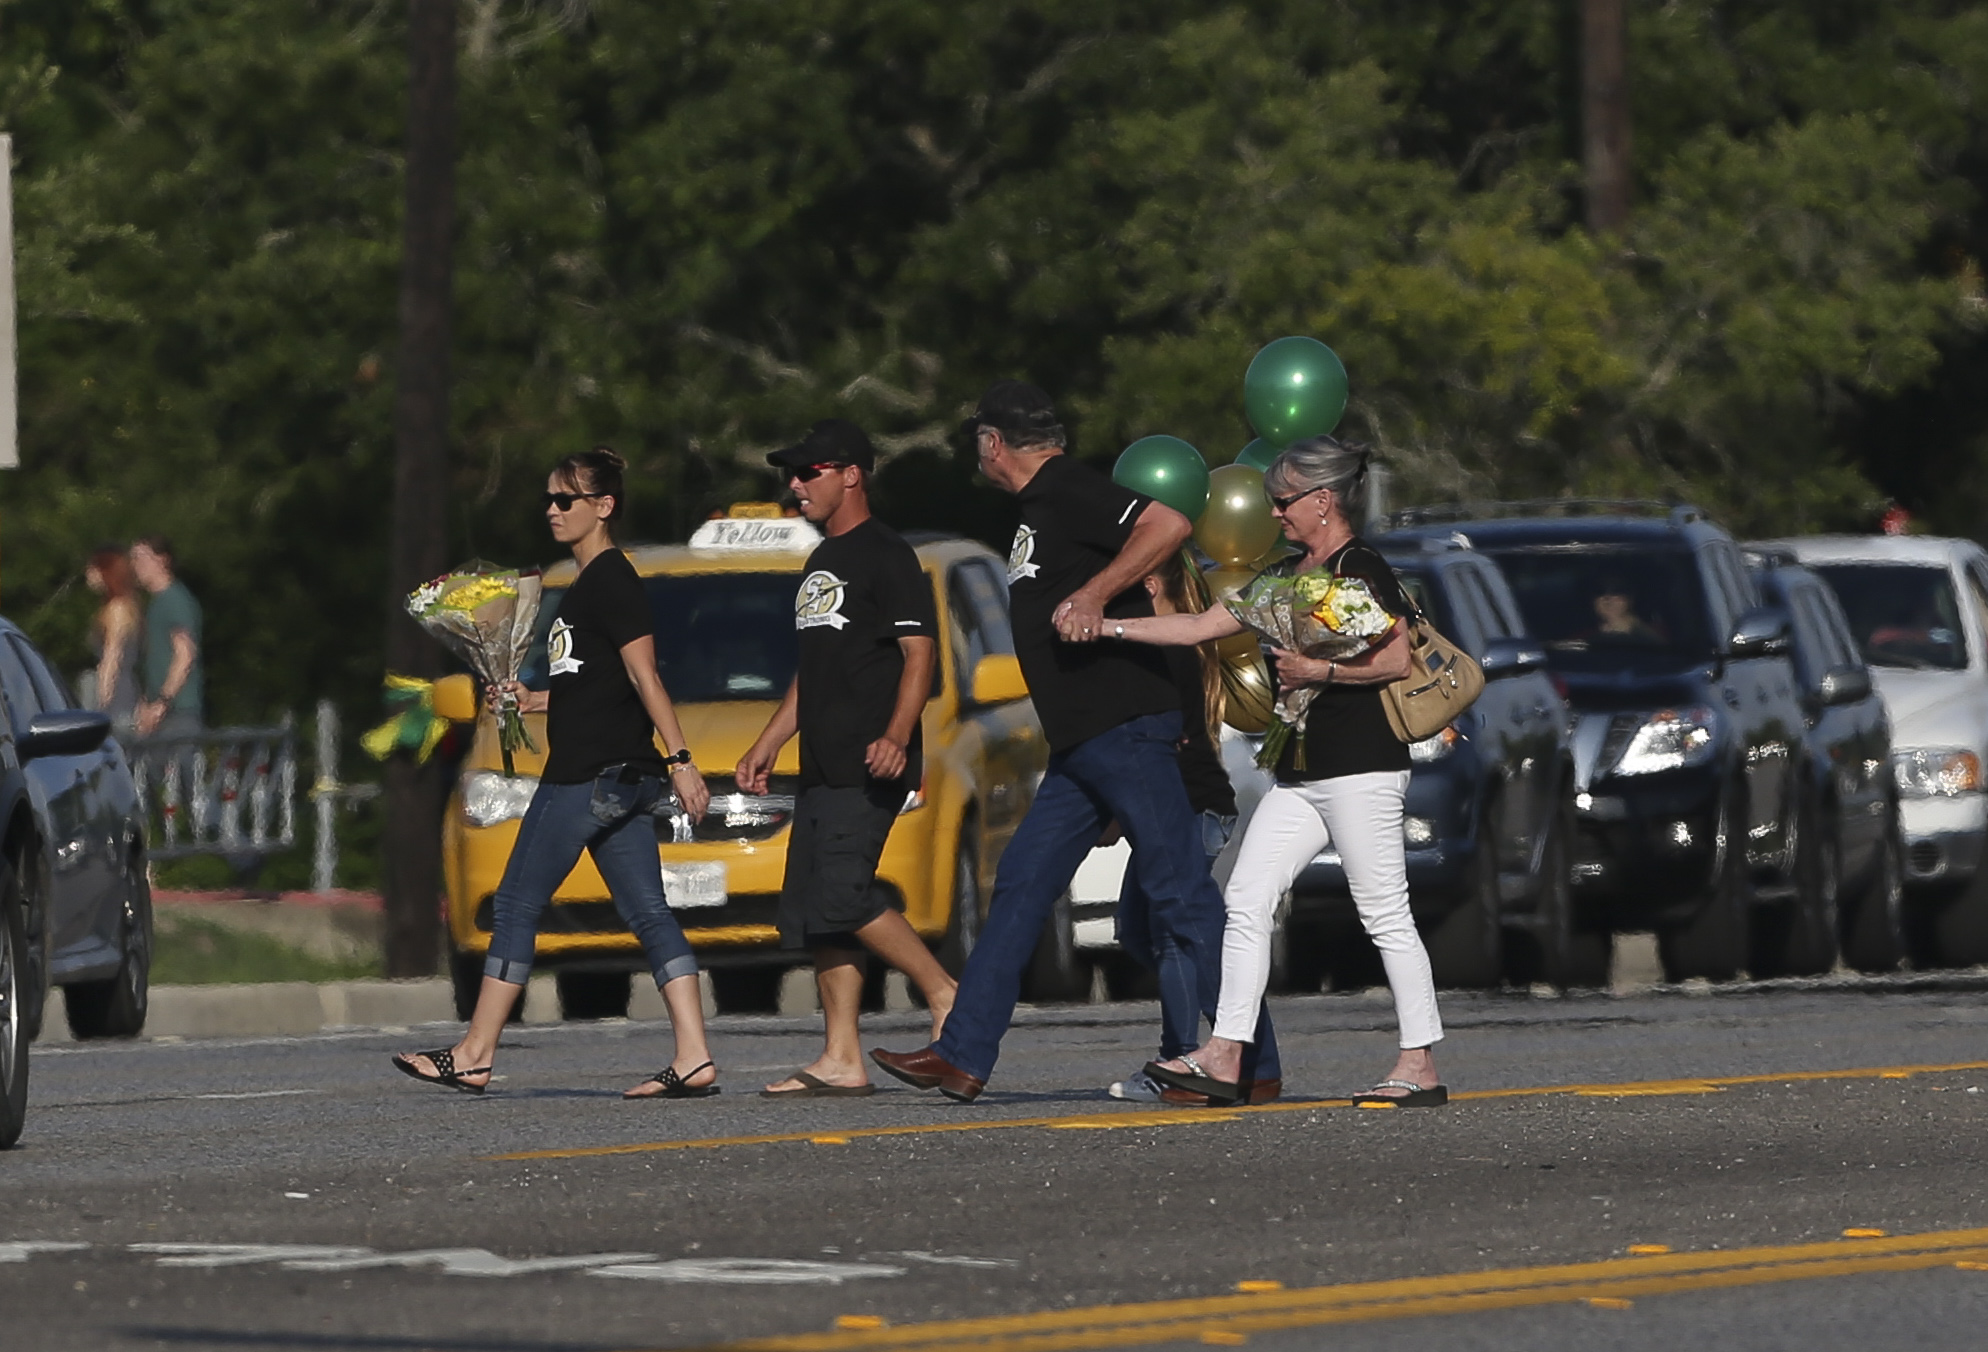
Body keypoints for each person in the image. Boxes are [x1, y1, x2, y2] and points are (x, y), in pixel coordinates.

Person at [870, 380, 1266, 1103]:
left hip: (1126, 725)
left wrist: (1092, 595)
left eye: (977, 443)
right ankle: (961, 1054)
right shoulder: (1037, 509)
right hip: (1083, 743)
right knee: (1021, 884)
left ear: (994, 443)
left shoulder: (1068, 488)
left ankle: (1256, 1062)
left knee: (1181, 895)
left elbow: (1169, 523)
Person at [1111, 435, 1449, 1107]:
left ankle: (1420, 1064)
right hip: (1299, 772)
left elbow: (1394, 662)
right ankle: (1227, 1052)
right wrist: (1109, 628)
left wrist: (1315, 669)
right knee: (1244, 899)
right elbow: (1204, 624)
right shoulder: (1291, 574)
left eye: (1284, 502)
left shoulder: (1360, 570)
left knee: (1383, 911)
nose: (1275, 515)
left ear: (1323, 501)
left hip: (1361, 770)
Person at [393, 447, 720, 1099]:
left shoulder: (613, 581)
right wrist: (529, 698)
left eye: (565, 499)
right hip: (612, 774)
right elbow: (591, 684)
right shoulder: (583, 586)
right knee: (648, 912)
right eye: (548, 498)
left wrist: (683, 761)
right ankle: (694, 1057)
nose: (551, 510)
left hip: (592, 774)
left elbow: (643, 674)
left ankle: (475, 1052)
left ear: (604, 507)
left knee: (516, 901)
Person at [735, 419, 958, 1098]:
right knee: (814, 911)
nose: (795, 485)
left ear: (852, 474)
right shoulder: (817, 562)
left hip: (871, 759)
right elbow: (814, 671)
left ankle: (947, 995)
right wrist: (768, 741)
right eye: (792, 476)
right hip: (822, 762)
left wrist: (896, 734)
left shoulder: (889, 556)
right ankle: (840, 1056)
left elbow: (920, 655)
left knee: (843, 893)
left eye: (809, 473)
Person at [1109, 551, 1281, 1104]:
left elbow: (1157, 744)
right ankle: (1233, 1018)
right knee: (1140, 930)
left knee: (1172, 936)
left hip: (1192, 806)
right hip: (1168, 809)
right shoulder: (1164, 645)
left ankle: (1178, 1058)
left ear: (1152, 585)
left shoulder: (1169, 649)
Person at [131, 536, 203, 738]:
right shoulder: (155, 604)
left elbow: (185, 654)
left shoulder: (175, 600)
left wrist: (163, 702)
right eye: (134, 559)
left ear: (162, 560)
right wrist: (146, 704)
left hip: (178, 713)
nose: (136, 565)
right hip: (158, 714)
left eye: (141, 558)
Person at [84, 546, 143, 734]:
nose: (88, 574)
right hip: (124, 688)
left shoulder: (117, 610)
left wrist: (101, 703)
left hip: (116, 694)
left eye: (93, 568)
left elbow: (113, 655)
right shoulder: (125, 606)